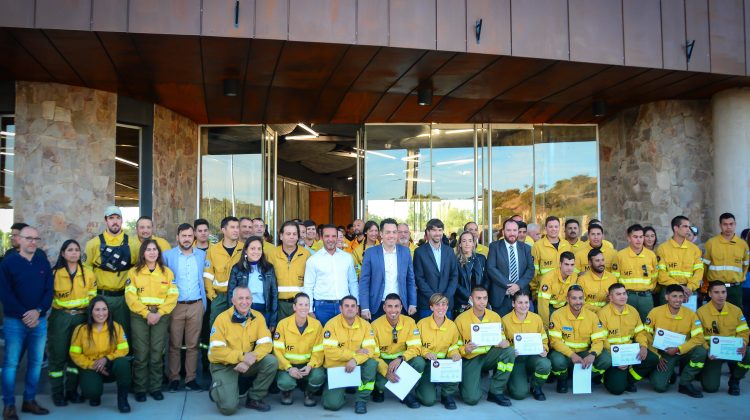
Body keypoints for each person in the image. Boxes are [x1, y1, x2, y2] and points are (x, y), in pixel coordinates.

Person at [0, 225, 52, 418]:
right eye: (28, 238)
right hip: (15, 322)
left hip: (39, 321)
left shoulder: (42, 262)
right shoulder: (8, 263)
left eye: (36, 239)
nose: (32, 242)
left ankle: (29, 401)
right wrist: (26, 314)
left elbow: (49, 290)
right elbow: (5, 294)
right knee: (11, 364)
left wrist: (38, 311)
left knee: (36, 363)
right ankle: (9, 405)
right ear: (19, 240)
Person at [208, 286, 278, 414]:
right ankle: (218, 388)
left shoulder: (258, 317)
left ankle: (254, 398)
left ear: (252, 300)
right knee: (228, 409)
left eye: (247, 298)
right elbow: (216, 351)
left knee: (271, 362)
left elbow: (266, 344)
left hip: (247, 362)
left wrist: (249, 359)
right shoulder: (222, 319)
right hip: (224, 365)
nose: (244, 302)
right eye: (240, 298)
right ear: (233, 300)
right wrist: (242, 356)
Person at [124, 239, 178, 402]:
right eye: (148, 249)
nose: (152, 252)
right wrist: (147, 314)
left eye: (155, 249)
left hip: (160, 316)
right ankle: (140, 388)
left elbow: (173, 296)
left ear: (158, 253)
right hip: (140, 315)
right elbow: (130, 296)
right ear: (143, 253)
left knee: (156, 352)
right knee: (141, 353)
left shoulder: (167, 272)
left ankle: (155, 387)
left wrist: (159, 313)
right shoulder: (134, 272)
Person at [48, 239, 97, 406]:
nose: (74, 252)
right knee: (58, 356)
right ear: (63, 253)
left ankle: (71, 390)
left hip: (81, 317)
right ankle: (57, 393)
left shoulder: (88, 273)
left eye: (77, 249)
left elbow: (92, 296)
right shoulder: (54, 273)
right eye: (70, 250)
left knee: (75, 356)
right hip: (61, 317)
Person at [162, 223, 207, 392]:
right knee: (174, 344)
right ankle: (174, 378)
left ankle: (190, 379)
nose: (187, 239)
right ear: (177, 237)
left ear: (193, 237)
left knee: (193, 345)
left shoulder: (202, 256)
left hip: (196, 304)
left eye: (189, 236)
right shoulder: (168, 256)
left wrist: (203, 304)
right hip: (176, 306)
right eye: (184, 236)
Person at [455, 287, 515, 407]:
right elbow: (455, 346)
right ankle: (466, 382)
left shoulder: (495, 316)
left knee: (509, 351)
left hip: (489, 356)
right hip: (471, 358)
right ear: (471, 299)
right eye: (478, 298)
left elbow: (502, 338)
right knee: (471, 399)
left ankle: (496, 391)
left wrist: (505, 343)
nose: (482, 302)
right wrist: (465, 349)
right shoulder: (461, 319)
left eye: (485, 298)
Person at [69, 296, 131, 413]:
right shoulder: (81, 330)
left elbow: (124, 349)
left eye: (104, 309)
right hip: (91, 367)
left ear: (108, 311)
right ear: (91, 312)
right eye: (97, 310)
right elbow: (75, 354)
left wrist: (106, 359)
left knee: (123, 364)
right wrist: (93, 365)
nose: (101, 313)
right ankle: (95, 395)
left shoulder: (116, 327)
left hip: (110, 366)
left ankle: (123, 400)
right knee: (91, 392)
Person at [644, 284, 706, 397]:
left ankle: (685, 382)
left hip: (683, 350)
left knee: (701, 352)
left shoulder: (691, 314)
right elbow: (646, 335)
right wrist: (656, 355)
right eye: (674, 296)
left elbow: (699, 337)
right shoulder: (655, 312)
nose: (678, 300)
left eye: (680, 296)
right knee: (659, 387)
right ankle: (667, 373)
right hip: (664, 353)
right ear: (667, 297)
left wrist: (679, 349)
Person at [84, 206, 137, 336]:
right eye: (111, 218)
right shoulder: (93, 244)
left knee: (124, 332)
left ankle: (124, 356)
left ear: (122, 220)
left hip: (123, 298)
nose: (115, 221)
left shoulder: (133, 244)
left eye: (118, 218)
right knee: (100, 332)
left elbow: (138, 270)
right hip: (101, 297)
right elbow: (86, 271)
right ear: (105, 220)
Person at [321, 295, 379, 414]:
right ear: (340, 308)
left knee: (372, 363)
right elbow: (329, 351)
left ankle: (361, 400)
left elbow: (370, 350)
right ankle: (340, 391)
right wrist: (353, 354)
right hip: (337, 368)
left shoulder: (366, 325)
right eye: (346, 306)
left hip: (358, 365)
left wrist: (355, 360)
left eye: (353, 306)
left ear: (357, 309)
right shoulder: (331, 325)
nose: (350, 309)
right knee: (332, 405)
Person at [548, 285, 610, 393]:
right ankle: (562, 380)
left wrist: (592, 354)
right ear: (567, 299)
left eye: (581, 298)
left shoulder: (592, 316)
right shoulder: (557, 315)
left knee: (606, 359)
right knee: (556, 361)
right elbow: (555, 341)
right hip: (565, 354)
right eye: (574, 298)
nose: (578, 302)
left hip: (585, 353)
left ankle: (585, 377)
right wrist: (572, 355)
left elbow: (598, 340)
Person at [598, 283, 658, 394]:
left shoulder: (633, 311)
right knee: (617, 390)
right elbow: (602, 339)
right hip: (612, 353)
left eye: (624, 293)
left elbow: (640, 332)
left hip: (629, 351)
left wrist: (643, 346)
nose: (623, 296)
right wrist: (616, 357)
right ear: (610, 297)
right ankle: (605, 377)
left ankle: (628, 380)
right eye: (618, 294)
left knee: (653, 359)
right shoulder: (603, 313)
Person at [370, 294, 424, 408]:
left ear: (401, 307)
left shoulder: (409, 322)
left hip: (401, 361)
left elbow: (415, 347)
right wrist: (386, 372)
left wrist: (401, 359)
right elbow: (373, 355)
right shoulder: (375, 325)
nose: (393, 310)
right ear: (384, 308)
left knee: (419, 361)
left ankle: (406, 392)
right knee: (380, 383)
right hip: (383, 362)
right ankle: (378, 390)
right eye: (390, 306)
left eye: (396, 306)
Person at [696, 281, 749, 395]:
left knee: (748, 354)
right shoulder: (701, 312)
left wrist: (743, 344)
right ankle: (703, 373)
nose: (721, 295)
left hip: (732, 350)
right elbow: (698, 335)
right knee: (710, 388)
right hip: (713, 353)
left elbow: (744, 331)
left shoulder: (736, 310)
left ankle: (735, 379)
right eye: (716, 292)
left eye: (723, 292)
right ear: (710, 294)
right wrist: (707, 349)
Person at [273, 292, 325, 407]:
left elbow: (319, 351)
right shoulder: (283, 324)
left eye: (307, 305)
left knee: (318, 376)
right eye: (301, 304)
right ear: (294, 307)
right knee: (285, 382)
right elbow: (277, 352)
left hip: (308, 366)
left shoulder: (317, 325)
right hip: (288, 366)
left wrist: (311, 365)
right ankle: (287, 392)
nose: (304, 308)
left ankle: (309, 393)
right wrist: (289, 368)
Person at [359, 218, 417, 320]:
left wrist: (412, 303)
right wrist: (364, 307)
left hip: (400, 305)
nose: (391, 235)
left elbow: (410, 280)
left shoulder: (405, 252)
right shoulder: (370, 253)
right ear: (381, 234)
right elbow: (364, 282)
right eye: (388, 232)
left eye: (394, 232)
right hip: (377, 305)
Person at [303, 224, 358, 326]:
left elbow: (353, 283)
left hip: (344, 305)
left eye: (333, 236)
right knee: (324, 339)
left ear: (337, 238)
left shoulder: (347, 258)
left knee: (343, 339)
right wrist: (309, 310)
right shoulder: (313, 260)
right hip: (322, 308)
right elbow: (308, 287)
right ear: (321, 238)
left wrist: (357, 304)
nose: (330, 239)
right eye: (327, 236)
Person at [414, 294, 462, 410]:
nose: (441, 308)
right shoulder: (421, 324)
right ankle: (421, 388)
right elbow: (415, 345)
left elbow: (454, 345)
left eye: (444, 304)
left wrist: (455, 353)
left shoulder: (452, 326)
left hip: (444, 364)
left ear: (447, 307)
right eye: (437, 305)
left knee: (457, 363)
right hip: (427, 364)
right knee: (428, 401)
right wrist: (426, 353)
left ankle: (447, 394)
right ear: (431, 307)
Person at [501, 291, 550, 401]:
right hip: (516, 359)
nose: (524, 306)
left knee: (545, 364)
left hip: (533, 357)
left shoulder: (536, 319)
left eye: (526, 302)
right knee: (519, 394)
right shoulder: (505, 320)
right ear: (513, 304)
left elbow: (543, 338)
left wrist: (544, 348)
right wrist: (509, 349)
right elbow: (502, 341)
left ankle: (536, 386)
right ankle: (514, 380)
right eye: (520, 303)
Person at [227, 236, 278, 329]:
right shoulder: (237, 268)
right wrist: (234, 315)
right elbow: (231, 294)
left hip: (264, 311)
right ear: (246, 250)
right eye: (252, 248)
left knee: (262, 340)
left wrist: (273, 321)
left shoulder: (269, 268)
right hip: (243, 309)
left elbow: (274, 294)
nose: (256, 252)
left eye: (259, 249)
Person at [486, 219, 534, 316]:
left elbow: (530, 269)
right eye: (508, 230)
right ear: (503, 232)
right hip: (501, 297)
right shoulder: (494, 247)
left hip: (521, 297)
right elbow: (491, 268)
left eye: (514, 230)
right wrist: (510, 285)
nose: (512, 233)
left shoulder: (526, 248)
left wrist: (518, 285)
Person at [414, 219, 459, 319]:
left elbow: (454, 275)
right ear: (428, 232)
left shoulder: (449, 251)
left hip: (446, 304)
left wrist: (445, 297)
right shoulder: (419, 252)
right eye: (434, 230)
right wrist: (434, 298)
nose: (437, 233)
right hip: (427, 304)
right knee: (426, 334)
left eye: (440, 230)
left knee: (446, 333)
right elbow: (419, 278)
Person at [613, 224, 659, 321]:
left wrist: (650, 289)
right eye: (635, 237)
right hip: (627, 297)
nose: (639, 240)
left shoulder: (651, 255)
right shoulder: (620, 256)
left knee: (647, 324)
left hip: (646, 297)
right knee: (627, 323)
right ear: (629, 238)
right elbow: (615, 278)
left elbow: (655, 276)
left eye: (641, 237)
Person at [704, 212, 750, 308]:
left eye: (731, 224)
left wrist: (739, 279)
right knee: (713, 316)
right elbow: (704, 266)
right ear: (720, 225)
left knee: (735, 318)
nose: (728, 227)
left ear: (735, 224)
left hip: (735, 288)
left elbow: (745, 266)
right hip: (715, 288)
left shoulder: (743, 245)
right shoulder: (711, 243)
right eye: (725, 224)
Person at [204, 216, 243, 328]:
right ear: (223, 230)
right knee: (216, 327)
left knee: (238, 328)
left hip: (239, 297)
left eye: (237, 227)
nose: (236, 230)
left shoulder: (244, 248)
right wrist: (212, 295)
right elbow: (208, 274)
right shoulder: (213, 250)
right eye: (232, 227)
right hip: (219, 297)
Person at [656, 216, 704, 304]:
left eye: (689, 227)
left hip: (689, 292)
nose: (688, 230)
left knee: (689, 317)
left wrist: (689, 288)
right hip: (669, 290)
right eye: (685, 226)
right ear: (676, 228)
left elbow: (699, 271)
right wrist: (679, 287)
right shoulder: (662, 248)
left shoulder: (694, 249)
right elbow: (661, 274)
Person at [269, 221, 311, 320]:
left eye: (294, 234)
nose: (291, 237)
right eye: (288, 234)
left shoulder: (306, 254)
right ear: (281, 236)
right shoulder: (272, 254)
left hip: (299, 305)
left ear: (298, 237)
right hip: (278, 304)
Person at [531, 216, 571, 299]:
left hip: (563, 294)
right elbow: (533, 271)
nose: (553, 229)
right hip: (544, 292)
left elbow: (570, 268)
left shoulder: (566, 245)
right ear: (545, 228)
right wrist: (534, 291)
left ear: (559, 228)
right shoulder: (537, 246)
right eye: (550, 227)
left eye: (556, 226)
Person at [537, 251, 579, 326]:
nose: (569, 268)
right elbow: (543, 305)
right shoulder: (548, 278)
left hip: (564, 307)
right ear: (560, 264)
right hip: (549, 308)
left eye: (572, 265)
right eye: (566, 264)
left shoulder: (574, 276)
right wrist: (546, 325)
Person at [454, 231, 487, 317]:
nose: (467, 244)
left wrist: (481, 296)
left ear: (473, 243)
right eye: (464, 241)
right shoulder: (454, 261)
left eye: (470, 241)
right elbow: (454, 282)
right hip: (462, 301)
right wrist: (469, 297)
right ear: (460, 244)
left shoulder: (481, 259)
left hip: (481, 300)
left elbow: (486, 279)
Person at [577, 248, 618, 313]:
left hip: (609, 315)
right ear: (590, 263)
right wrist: (600, 310)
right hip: (589, 315)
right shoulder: (582, 280)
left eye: (602, 260)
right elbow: (580, 303)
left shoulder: (612, 278)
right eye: (597, 260)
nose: (601, 263)